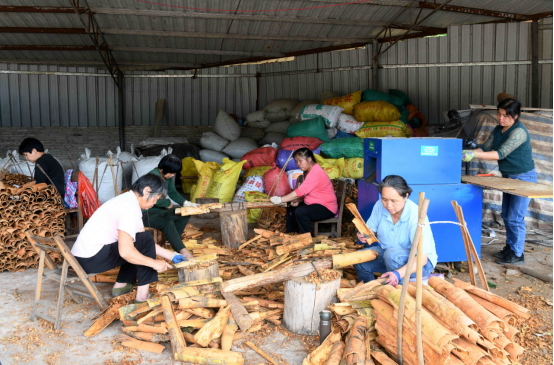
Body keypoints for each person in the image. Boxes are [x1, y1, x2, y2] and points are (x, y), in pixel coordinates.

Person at [71, 174, 189, 303]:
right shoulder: (128, 207)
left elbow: (141, 242)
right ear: (146, 191)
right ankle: (142, 296)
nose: (155, 203)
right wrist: (154, 263)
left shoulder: (128, 201)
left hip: (82, 258)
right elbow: (127, 251)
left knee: (140, 240)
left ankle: (121, 285)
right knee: (140, 241)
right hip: (90, 259)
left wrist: (172, 256)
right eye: (156, 198)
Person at [462, 98, 536, 265]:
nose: (501, 118)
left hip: (524, 177)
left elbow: (500, 154)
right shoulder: (498, 130)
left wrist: (474, 155)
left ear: (515, 116)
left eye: (505, 116)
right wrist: (471, 151)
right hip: (509, 177)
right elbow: (486, 148)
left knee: (516, 217)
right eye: (499, 114)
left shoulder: (519, 132)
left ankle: (518, 254)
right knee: (506, 215)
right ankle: (510, 248)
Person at [354, 175, 438, 285]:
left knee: (391, 255)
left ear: (406, 196)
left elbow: (422, 258)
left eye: (394, 201)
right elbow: (371, 230)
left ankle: (398, 290)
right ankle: (371, 291)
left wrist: (398, 274)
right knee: (359, 260)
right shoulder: (380, 206)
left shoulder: (416, 215)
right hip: (389, 254)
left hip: (420, 263)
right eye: (384, 199)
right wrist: (364, 235)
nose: (388, 205)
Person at [269, 148, 338, 237]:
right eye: (296, 162)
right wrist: (299, 200)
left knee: (301, 212)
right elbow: (309, 191)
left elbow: (300, 191)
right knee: (291, 208)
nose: (298, 164)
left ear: (309, 159)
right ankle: (292, 234)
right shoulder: (310, 171)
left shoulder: (315, 172)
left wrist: (280, 199)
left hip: (327, 208)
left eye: (300, 161)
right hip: (317, 203)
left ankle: (309, 238)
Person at [142, 155, 197, 259]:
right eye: (171, 173)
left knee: (184, 213)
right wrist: (166, 203)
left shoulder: (166, 177)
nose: (172, 175)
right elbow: (149, 198)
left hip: (159, 210)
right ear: (162, 169)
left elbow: (172, 192)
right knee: (168, 223)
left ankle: (171, 241)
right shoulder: (153, 177)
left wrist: (185, 203)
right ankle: (182, 250)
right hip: (146, 212)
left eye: (174, 173)